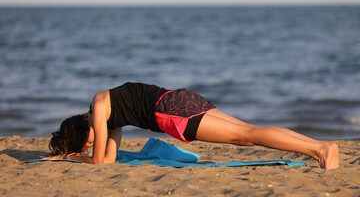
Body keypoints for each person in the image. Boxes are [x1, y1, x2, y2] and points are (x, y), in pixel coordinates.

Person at [46, 82, 339, 169]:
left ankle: (320, 149)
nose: (93, 141)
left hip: (172, 113)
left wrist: (73, 157)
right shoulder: (110, 117)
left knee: (246, 137)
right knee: (248, 132)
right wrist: (85, 154)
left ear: (83, 126)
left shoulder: (98, 105)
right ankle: (318, 147)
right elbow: (107, 160)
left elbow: (97, 160)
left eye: (88, 140)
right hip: (179, 100)